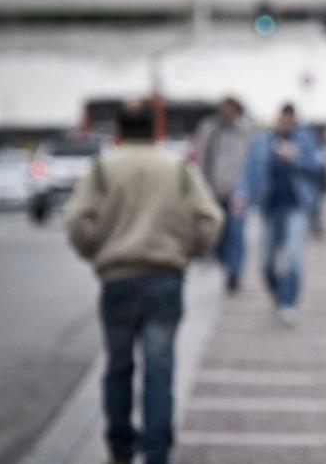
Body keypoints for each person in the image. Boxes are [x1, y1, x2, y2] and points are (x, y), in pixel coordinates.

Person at [65, 102, 223, 464]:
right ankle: (156, 451)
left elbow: (77, 222)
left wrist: (95, 253)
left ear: (119, 129)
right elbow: (210, 220)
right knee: (160, 368)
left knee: (118, 367)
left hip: (118, 278)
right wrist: (188, 253)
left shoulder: (104, 168)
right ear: (155, 129)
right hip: (165, 278)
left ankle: (120, 448)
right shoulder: (177, 168)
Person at [232, 104, 325, 327]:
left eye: (290, 121)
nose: (285, 124)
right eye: (282, 120)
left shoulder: (304, 140)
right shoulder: (262, 142)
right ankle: (278, 294)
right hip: (269, 207)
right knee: (265, 262)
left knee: (293, 257)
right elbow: (248, 171)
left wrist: (294, 157)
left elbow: (318, 168)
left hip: (296, 206)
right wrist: (241, 195)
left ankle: (288, 301)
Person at [193, 97, 253, 293]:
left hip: (237, 191)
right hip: (212, 188)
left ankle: (234, 274)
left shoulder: (244, 130)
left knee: (236, 233)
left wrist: (246, 188)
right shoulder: (208, 128)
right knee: (217, 233)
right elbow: (200, 156)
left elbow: (249, 161)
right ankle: (223, 262)